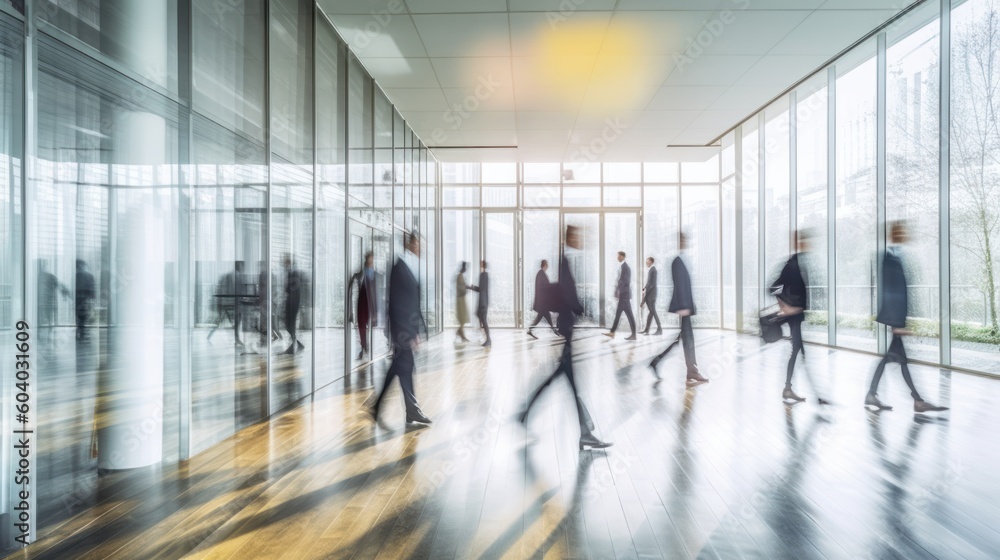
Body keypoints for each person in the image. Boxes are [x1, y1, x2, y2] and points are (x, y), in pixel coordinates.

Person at [520, 225, 612, 451]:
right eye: (577, 236)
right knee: (567, 380)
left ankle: (526, 415)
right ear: (569, 237)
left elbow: (568, 293)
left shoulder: (565, 259)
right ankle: (585, 433)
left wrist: (581, 310)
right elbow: (568, 294)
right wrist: (584, 311)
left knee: (562, 378)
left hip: (567, 326)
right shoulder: (564, 260)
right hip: (567, 326)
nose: (581, 240)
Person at [865, 221, 948, 413]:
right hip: (896, 320)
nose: (905, 235)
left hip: (897, 319)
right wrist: (897, 324)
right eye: (901, 232)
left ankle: (879, 394)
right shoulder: (889, 259)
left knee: (897, 360)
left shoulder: (896, 257)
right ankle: (916, 401)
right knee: (896, 360)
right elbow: (890, 292)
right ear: (894, 235)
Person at [367, 231, 431, 426]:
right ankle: (411, 411)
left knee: (399, 368)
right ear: (410, 244)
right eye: (418, 244)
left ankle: (381, 407)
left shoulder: (409, 266)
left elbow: (413, 301)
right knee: (404, 367)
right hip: (402, 332)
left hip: (405, 330)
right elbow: (398, 304)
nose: (421, 248)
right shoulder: (399, 268)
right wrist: (410, 334)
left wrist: (418, 329)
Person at [774, 230, 829, 404]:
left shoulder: (800, 263)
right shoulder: (791, 264)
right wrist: (786, 307)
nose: (807, 243)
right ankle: (790, 389)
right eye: (804, 240)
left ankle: (795, 390)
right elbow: (772, 288)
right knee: (797, 351)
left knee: (800, 352)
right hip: (794, 316)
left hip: (797, 315)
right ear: (798, 243)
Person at [650, 233, 708, 384]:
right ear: (678, 242)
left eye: (686, 239)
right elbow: (679, 285)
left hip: (686, 306)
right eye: (682, 240)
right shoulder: (677, 261)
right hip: (684, 307)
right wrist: (683, 307)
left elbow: (686, 285)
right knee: (688, 339)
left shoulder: (683, 260)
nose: (685, 242)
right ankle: (692, 372)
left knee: (682, 339)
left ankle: (657, 362)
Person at [604, 251, 637, 340]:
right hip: (624, 295)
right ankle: (613, 332)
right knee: (622, 314)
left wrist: (618, 290)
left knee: (626, 315)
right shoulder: (623, 267)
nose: (617, 257)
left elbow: (625, 281)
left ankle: (614, 333)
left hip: (624, 296)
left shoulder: (625, 267)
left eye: (618, 256)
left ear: (622, 256)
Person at [350, 252, 377, 359]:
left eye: (371, 259)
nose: (370, 261)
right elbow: (355, 279)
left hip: (370, 304)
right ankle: (363, 346)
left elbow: (375, 293)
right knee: (361, 326)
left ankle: (365, 346)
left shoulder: (374, 274)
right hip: (362, 303)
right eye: (368, 259)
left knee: (367, 326)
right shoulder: (361, 273)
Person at [280, 254, 305, 355]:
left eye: (285, 263)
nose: (283, 265)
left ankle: (294, 345)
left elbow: (290, 289)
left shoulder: (293, 274)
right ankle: (297, 344)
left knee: (289, 324)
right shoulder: (292, 273)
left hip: (292, 303)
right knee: (289, 325)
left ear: (289, 263)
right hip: (292, 302)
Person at [527, 259, 557, 339]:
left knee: (540, 317)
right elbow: (543, 287)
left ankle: (529, 330)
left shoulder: (541, 274)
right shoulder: (541, 274)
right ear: (545, 265)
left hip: (542, 302)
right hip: (542, 301)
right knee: (546, 316)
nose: (548, 266)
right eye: (547, 264)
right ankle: (554, 330)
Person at [468, 260, 491, 347]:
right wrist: (472, 287)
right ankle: (485, 334)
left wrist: (472, 287)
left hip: (483, 301)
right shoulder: (485, 275)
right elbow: (481, 289)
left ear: (483, 265)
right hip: (483, 300)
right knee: (478, 315)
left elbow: (481, 289)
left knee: (484, 320)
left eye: (481, 263)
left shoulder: (483, 275)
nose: (479, 264)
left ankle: (488, 339)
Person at [640, 256, 661, 335]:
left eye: (648, 262)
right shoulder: (651, 270)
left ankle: (659, 329)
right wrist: (645, 288)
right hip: (651, 293)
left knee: (653, 312)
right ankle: (647, 330)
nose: (646, 263)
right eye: (646, 261)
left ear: (651, 262)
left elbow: (651, 284)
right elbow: (649, 282)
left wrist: (646, 292)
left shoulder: (653, 270)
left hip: (651, 295)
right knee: (652, 312)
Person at [75, 259, 96, 340]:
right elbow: (92, 288)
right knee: (83, 316)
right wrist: (92, 299)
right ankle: (82, 333)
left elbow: (92, 288)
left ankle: (81, 332)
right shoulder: (89, 276)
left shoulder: (78, 275)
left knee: (81, 316)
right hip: (84, 299)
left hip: (81, 299)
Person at [455, 262, 470, 343]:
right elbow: (460, 287)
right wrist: (467, 287)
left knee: (463, 318)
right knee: (462, 318)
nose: (466, 269)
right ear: (462, 268)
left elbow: (462, 286)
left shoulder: (461, 276)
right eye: (465, 267)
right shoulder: (459, 276)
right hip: (460, 299)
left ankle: (460, 333)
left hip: (462, 299)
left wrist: (469, 287)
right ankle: (460, 333)